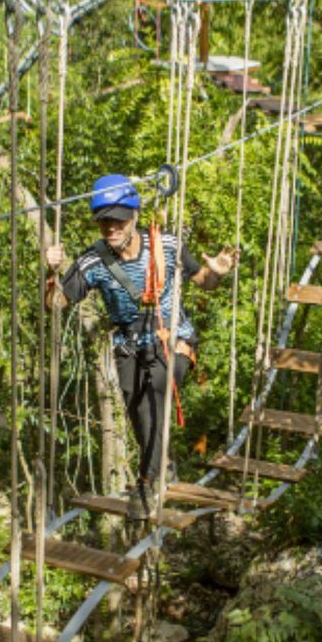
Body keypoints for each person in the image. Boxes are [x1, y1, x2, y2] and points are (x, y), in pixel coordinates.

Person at [45, 174, 238, 520]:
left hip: (171, 335)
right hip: (128, 343)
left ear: (134, 217)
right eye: (104, 221)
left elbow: (204, 282)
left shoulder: (166, 245)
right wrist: (51, 272)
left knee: (157, 397)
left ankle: (146, 483)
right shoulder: (92, 261)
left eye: (118, 219)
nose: (110, 227)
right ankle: (164, 463)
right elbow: (56, 303)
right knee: (138, 412)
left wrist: (219, 273)